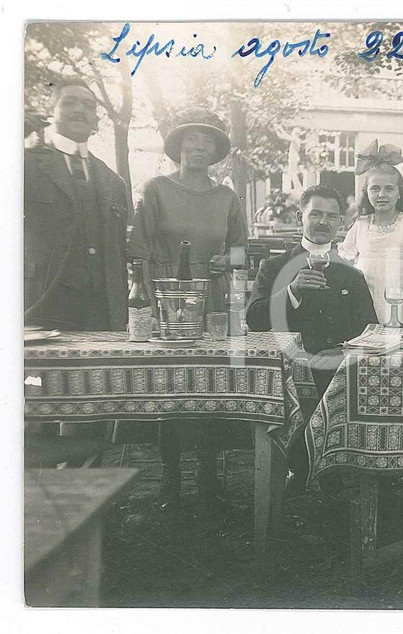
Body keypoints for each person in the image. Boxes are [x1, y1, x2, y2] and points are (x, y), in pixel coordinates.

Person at [126, 108, 249, 509]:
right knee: (172, 385)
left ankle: (212, 475)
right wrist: (147, 296)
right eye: (192, 139)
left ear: (217, 151)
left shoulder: (227, 196)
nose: (200, 147)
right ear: (178, 146)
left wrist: (225, 262)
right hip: (167, 301)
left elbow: (240, 249)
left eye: (209, 140)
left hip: (211, 299)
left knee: (211, 384)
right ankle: (172, 477)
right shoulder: (157, 189)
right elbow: (139, 247)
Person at [246, 185, 378, 492]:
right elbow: (254, 320)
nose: (323, 222)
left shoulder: (351, 274)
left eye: (331, 216)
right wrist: (291, 291)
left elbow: (370, 328)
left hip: (338, 370)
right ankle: (303, 466)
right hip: (289, 372)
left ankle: (330, 470)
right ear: (299, 217)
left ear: (340, 224)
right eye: (315, 213)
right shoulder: (275, 267)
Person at [24, 78, 132, 331]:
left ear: (95, 120)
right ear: (53, 112)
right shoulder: (26, 164)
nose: (80, 110)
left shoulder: (113, 181)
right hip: (41, 303)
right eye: (69, 102)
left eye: (88, 105)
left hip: (102, 310)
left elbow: (118, 253)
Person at [338, 139, 403, 325]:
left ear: (399, 193)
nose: (381, 195)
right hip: (364, 303)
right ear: (367, 193)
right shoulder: (361, 225)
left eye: (388, 189)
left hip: (400, 304)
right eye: (375, 189)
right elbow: (343, 262)